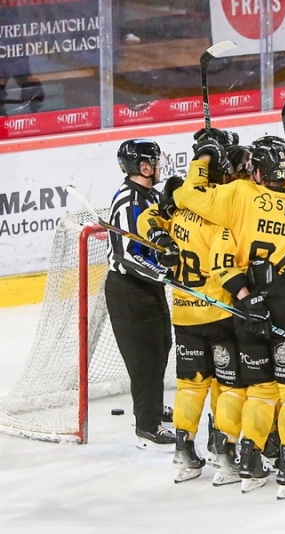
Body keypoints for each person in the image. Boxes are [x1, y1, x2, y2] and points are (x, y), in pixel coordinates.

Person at [174, 135, 285, 499]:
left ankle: (248, 458)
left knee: (259, 390)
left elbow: (188, 201)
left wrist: (246, 295)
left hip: (247, 304)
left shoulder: (239, 196)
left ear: (256, 171)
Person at [136, 128, 247, 485]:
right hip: (219, 314)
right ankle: (225, 457)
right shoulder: (222, 214)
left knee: (190, 385)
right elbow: (223, 264)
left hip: (183, 313)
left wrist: (159, 237)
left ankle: (184, 455)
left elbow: (147, 218)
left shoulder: (179, 210)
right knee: (228, 386)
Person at [105, 139, 175, 451]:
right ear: (143, 167)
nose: (159, 166)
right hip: (129, 290)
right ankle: (147, 426)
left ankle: (154, 406)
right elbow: (126, 257)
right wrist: (163, 273)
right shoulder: (129, 202)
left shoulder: (149, 195)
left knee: (161, 345)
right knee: (145, 358)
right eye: (155, 161)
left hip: (148, 287)